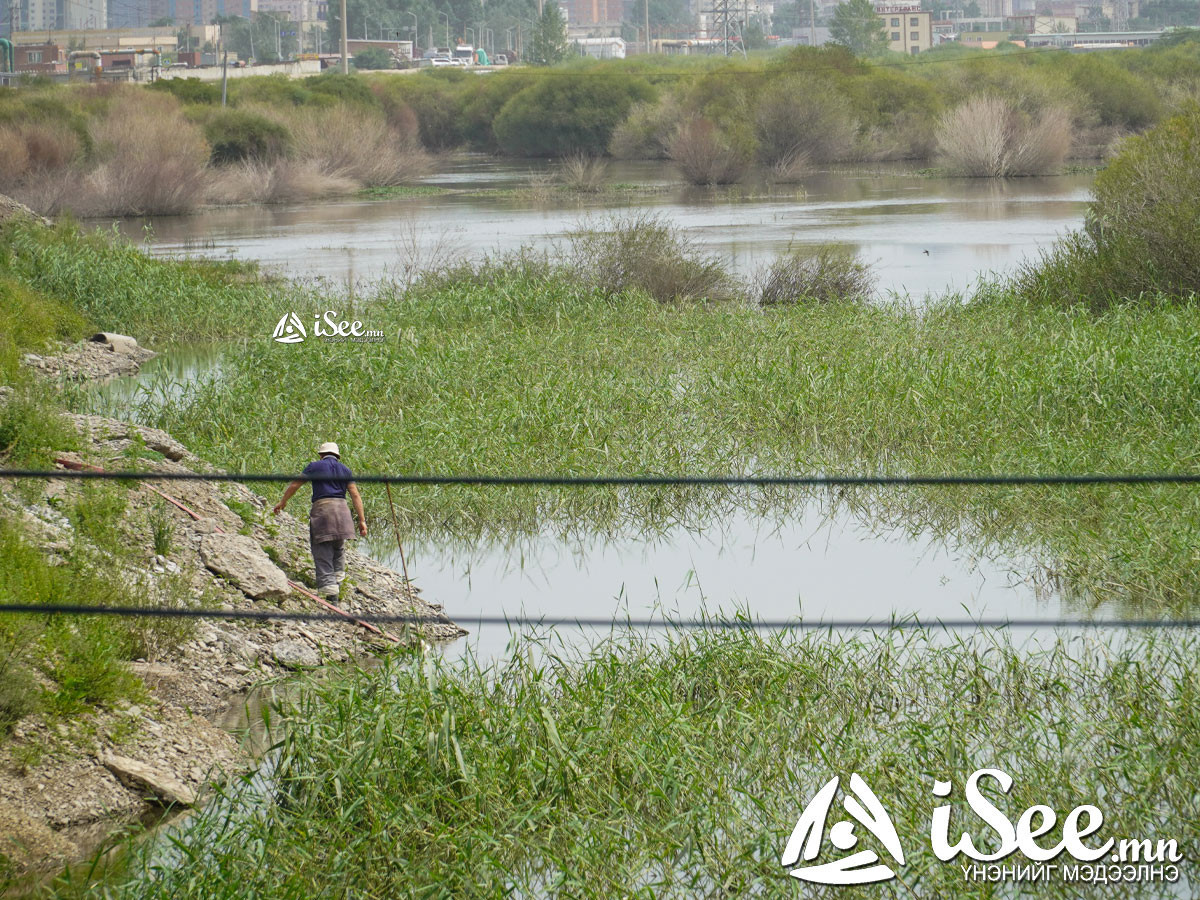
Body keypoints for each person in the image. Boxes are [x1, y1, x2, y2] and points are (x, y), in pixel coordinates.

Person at [272, 442, 367, 602]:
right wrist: (362, 521)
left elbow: (295, 484)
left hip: (323, 511)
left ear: (321, 455)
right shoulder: (345, 470)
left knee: (322, 550)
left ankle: (331, 594)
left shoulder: (314, 467)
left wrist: (283, 502)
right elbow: (355, 495)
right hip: (342, 512)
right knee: (338, 547)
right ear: (337, 456)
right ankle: (337, 582)